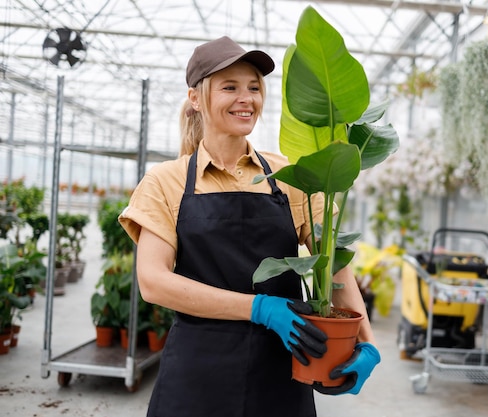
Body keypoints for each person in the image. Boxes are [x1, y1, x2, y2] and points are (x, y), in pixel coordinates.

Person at [118, 36, 380, 417]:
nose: (247, 98)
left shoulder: (293, 176)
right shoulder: (165, 182)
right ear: (196, 98)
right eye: (230, 87)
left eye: (254, 87)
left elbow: (334, 263)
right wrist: (258, 307)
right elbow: (153, 282)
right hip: (197, 374)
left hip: (281, 372)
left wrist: (366, 341)